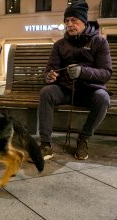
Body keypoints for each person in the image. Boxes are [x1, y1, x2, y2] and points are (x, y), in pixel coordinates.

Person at [39, 1, 112, 160]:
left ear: (84, 21)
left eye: (74, 20)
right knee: (46, 92)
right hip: (65, 90)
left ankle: (83, 139)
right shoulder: (59, 45)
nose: (69, 24)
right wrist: (49, 76)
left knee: (103, 98)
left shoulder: (99, 41)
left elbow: (106, 73)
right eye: (66, 21)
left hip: (89, 91)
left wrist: (82, 72)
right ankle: (45, 144)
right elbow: (49, 70)